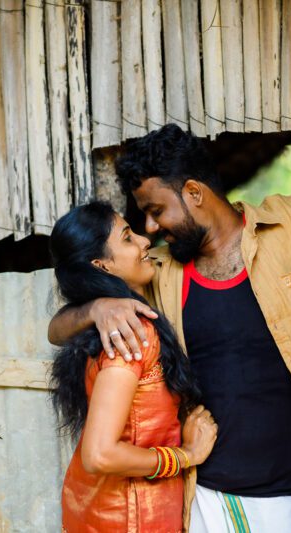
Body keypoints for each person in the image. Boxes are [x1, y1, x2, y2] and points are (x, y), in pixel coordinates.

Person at [48, 80, 291, 532]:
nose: (150, 227)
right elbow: (58, 329)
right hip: (205, 496)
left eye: (156, 210)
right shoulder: (160, 272)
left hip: (290, 494)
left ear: (194, 192)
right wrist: (96, 309)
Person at [49, 201, 218, 532]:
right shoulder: (130, 333)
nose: (144, 240)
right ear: (102, 265)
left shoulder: (103, 322)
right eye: (127, 237)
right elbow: (100, 454)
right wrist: (186, 455)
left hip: (98, 508)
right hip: (130, 516)